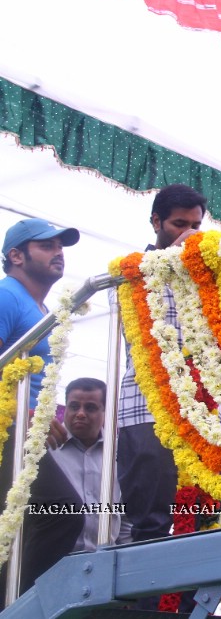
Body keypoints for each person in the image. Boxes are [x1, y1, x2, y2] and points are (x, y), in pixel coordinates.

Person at [115, 185, 221, 549]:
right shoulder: (129, 272)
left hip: (211, 413)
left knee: (206, 524)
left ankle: (195, 607)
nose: (188, 234)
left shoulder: (211, 277)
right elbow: (144, 338)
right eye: (178, 224)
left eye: (195, 225)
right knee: (151, 525)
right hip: (148, 410)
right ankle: (148, 605)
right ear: (155, 222)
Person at [0, 217, 79, 603]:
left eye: (60, 246)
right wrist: (25, 413)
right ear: (16, 255)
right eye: (46, 245)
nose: (58, 252)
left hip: (22, 432)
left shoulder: (38, 304)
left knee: (22, 526)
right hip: (6, 429)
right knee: (62, 509)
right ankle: (24, 608)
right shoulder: (7, 295)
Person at [21, 378, 131, 592]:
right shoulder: (42, 445)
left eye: (90, 407)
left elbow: (125, 520)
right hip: (49, 570)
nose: (80, 413)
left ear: (106, 412)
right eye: (74, 406)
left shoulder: (120, 455)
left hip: (102, 573)